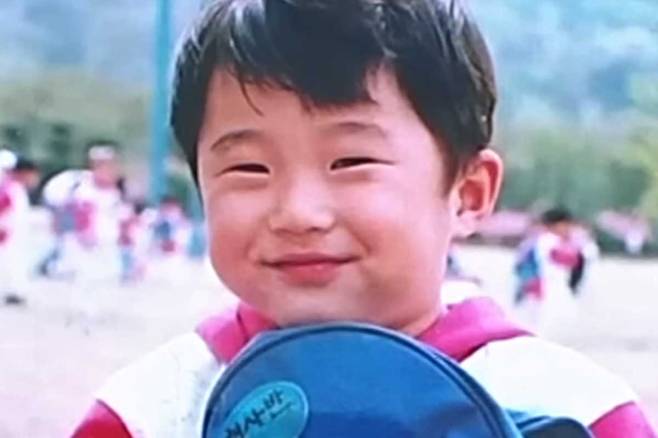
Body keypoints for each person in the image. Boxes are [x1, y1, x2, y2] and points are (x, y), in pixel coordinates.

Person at [72, 1, 656, 436]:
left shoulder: (573, 410)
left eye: (351, 162)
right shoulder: (154, 411)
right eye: (249, 168)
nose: (297, 212)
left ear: (468, 193)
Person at [39, 141, 124, 282]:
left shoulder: (114, 192)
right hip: (77, 247)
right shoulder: (76, 184)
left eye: (111, 164)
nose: (108, 169)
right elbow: (56, 208)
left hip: (106, 250)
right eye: (102, 164)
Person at [0, 156, 40, 305]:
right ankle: (13, 291)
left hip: (15, 235)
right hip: (8, 236)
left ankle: (15, 291)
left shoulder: (15, 189)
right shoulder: (10, 189)